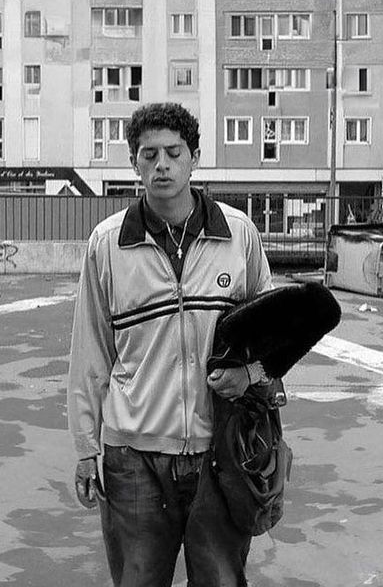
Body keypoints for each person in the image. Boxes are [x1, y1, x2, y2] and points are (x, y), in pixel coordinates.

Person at [67, 102, 274, 587]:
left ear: (194, 158)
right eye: (149, 154)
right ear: (133, 164)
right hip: (133, 459)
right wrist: (83, 446)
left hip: (219, 452)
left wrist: (250, 374)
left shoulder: (237, 235)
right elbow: (90, 352)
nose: (162, 164)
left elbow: (274, 331)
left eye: (173, 153)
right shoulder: (108, 244)